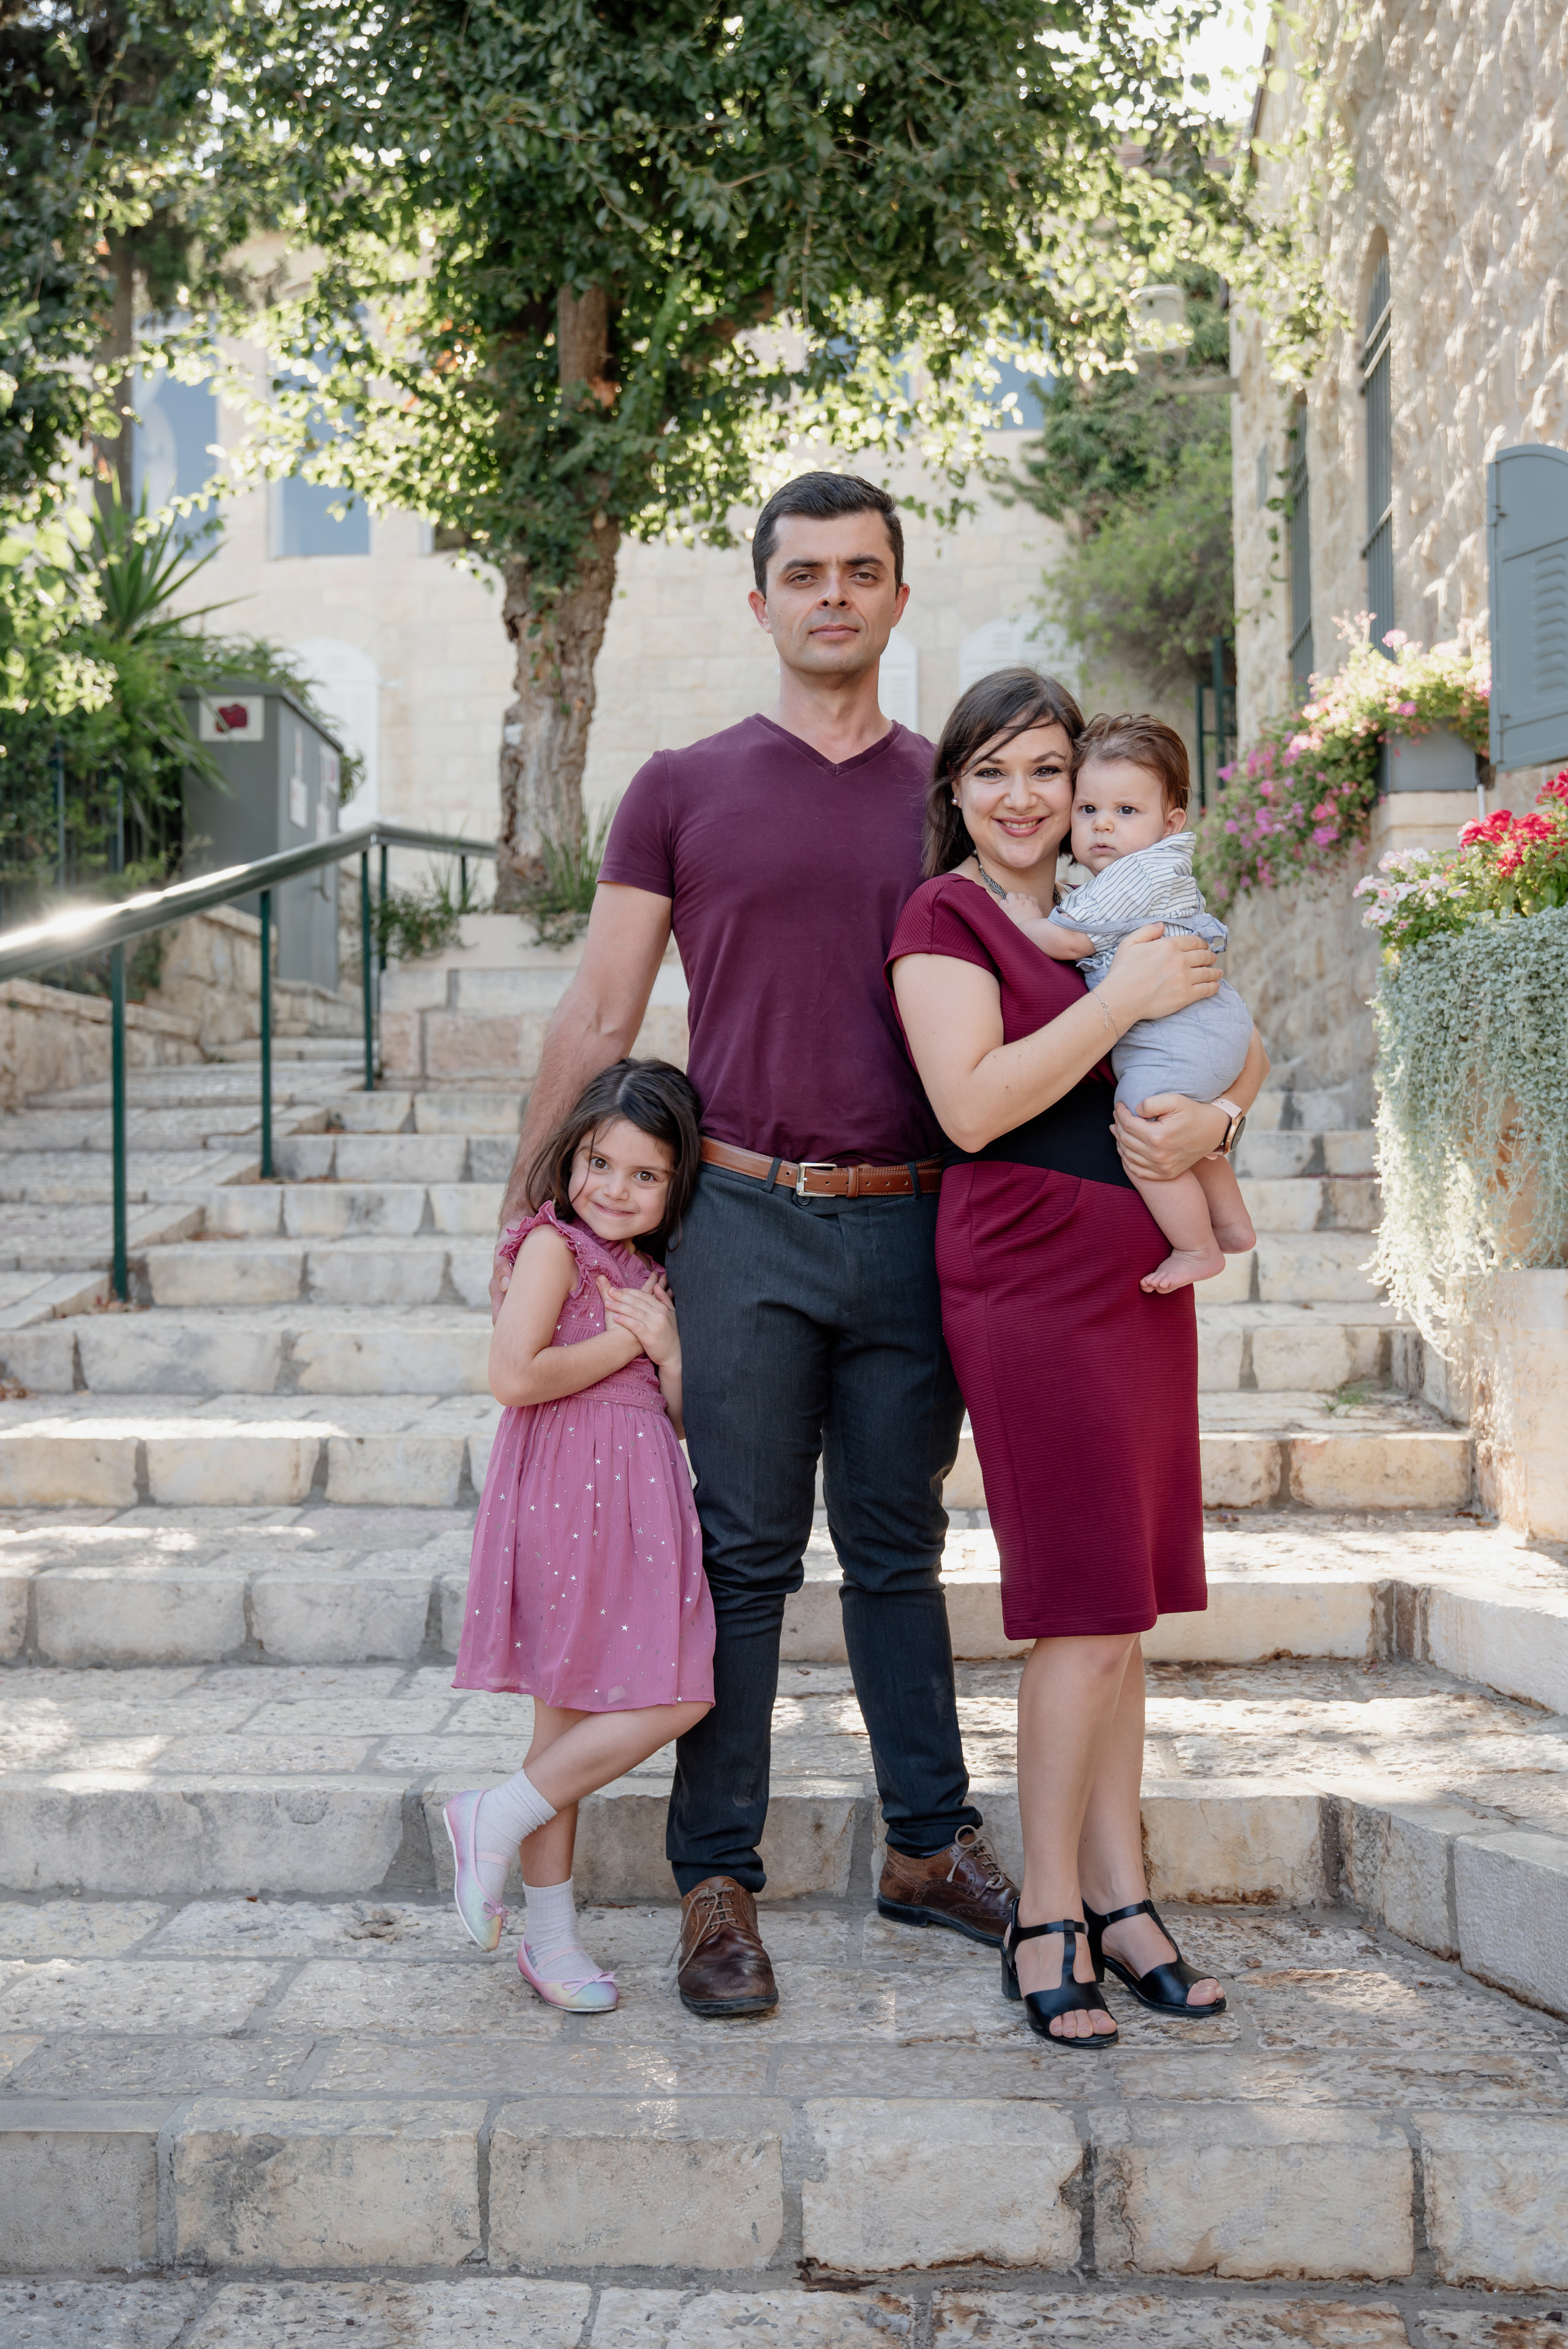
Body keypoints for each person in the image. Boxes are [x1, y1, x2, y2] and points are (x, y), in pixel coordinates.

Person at [489, 470, 1041, 2021]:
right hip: (734, 1216)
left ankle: (928, 1846)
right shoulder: (677, 783)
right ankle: (713, 1881)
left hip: (915, 1214)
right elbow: (601, 1010)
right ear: (760, 601)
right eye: (802, 572)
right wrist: (534, 1206)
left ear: (895, 597)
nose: (831, 596)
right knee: (733, 1558)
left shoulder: (954, 792)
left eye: (861, 571)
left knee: (893, 1546)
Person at [888, 667, 1269, 2049]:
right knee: (1082, 1604)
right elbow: (974, 1106)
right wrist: (1120, 1004)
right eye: (991, 770)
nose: (1023, 796)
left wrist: (1214, 1129)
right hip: (1027, 1265)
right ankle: (1045, 1906)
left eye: (1046, 770)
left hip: (1131, 1267)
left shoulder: (1123, 915)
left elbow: (1244, 1047)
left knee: (1126, 1603)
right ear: (954, 790)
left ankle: (1122, 1892)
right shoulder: (949, 917)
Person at [445, 1058, 714, 2014]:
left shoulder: (654, 1274)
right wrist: (629, 1340)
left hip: (643, 1497)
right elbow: (514, 1375)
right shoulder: (556, 1247)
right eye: (601, 1162)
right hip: (564, 1491)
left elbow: (677, 1413)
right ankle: (551, 1937)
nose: (616, 1188)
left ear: (677, 1184)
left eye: (646, 1175)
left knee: (671, 1692)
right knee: (577, 1710)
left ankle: (496, 1815)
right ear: (572, 1158)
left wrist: (671, 1347)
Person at [995, 712, 1257, 1294]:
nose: (1103, 828)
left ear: (1171, 824)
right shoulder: (1160, 872)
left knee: (1143, 1130)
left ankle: (1196, 1247)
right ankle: (1234, 1223)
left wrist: (1026, 920)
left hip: (1179, 1036)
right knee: (1186, 1123)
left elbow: (1067, 942)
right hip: (1214, 1026)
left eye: (1126, 812)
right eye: (1088, 811)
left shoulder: (1124, 883)